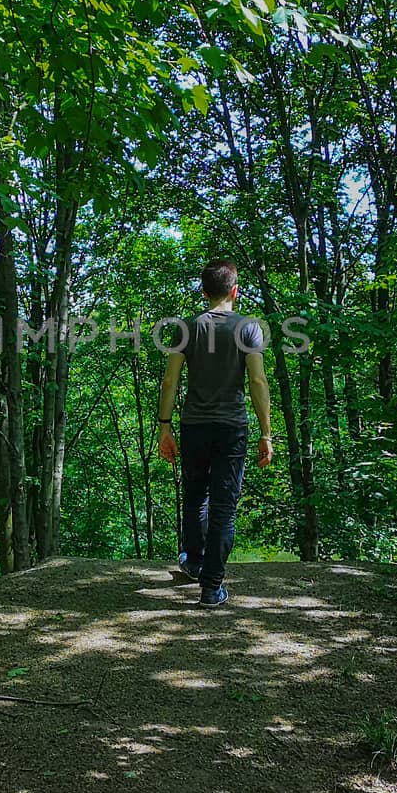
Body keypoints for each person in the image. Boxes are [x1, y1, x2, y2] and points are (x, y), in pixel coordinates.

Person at [156, 260, 274, 607]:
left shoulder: (186, 328)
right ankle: (211, 588)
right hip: (232, 427)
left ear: (204, 291)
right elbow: (257, 380)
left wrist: (164, 427)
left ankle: (193, 562)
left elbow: (170, 381)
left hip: (193, 425)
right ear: (234, 290)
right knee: (224, 506)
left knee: (195, 497)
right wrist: (266, 433)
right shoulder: (249, 328)